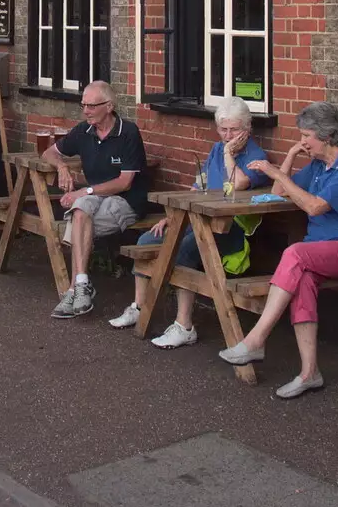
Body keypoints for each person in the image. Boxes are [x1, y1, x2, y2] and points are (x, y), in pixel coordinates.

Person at [218, 102, 338, 399]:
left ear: (328, 136)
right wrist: (290, 157)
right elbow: (279, 193)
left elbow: (314, 206)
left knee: (294, 253)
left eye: (306, 136)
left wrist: (276, 173)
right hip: (320, 250)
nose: (302, 141)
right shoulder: (318, 166)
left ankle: (256, 339)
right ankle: (309, 373)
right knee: (302, 279)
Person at [106, 96, 270, 346]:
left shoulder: (256, 156)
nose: (227, 135)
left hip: (228, 230)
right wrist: (172, 219)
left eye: (234, 129)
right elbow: (198, 187)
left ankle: (184, 325)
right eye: (223, 129)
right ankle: (139, 307)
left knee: (184, 251)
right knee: (145, 241)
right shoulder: (215, 150)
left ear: (247, 129)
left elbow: (238, 184)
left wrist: (228, 153)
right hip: (197, 221)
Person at [43, 81, 150, 319]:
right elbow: (48, 152)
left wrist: (85, 192)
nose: (86, 110)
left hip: (126, 200)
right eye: (83, 105)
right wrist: (61, 166)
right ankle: (82, 284)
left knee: (78, 220)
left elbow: (125, 183)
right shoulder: (84, 131)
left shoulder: (128, 132)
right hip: (95, 197)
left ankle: (73, 289)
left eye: (91, 105)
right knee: (80, 212)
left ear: (109, 106)